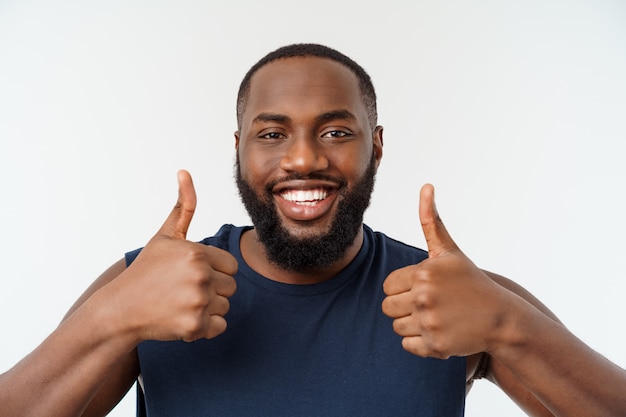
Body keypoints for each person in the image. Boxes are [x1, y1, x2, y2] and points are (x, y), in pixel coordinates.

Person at [0, 43, 624, 417]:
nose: (302, 160)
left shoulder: (455, 297)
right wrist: (113, 318)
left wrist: (506, 326)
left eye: (336, 132)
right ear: (238, 150)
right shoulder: (145, 285)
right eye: (271, 135)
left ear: (375, 148)